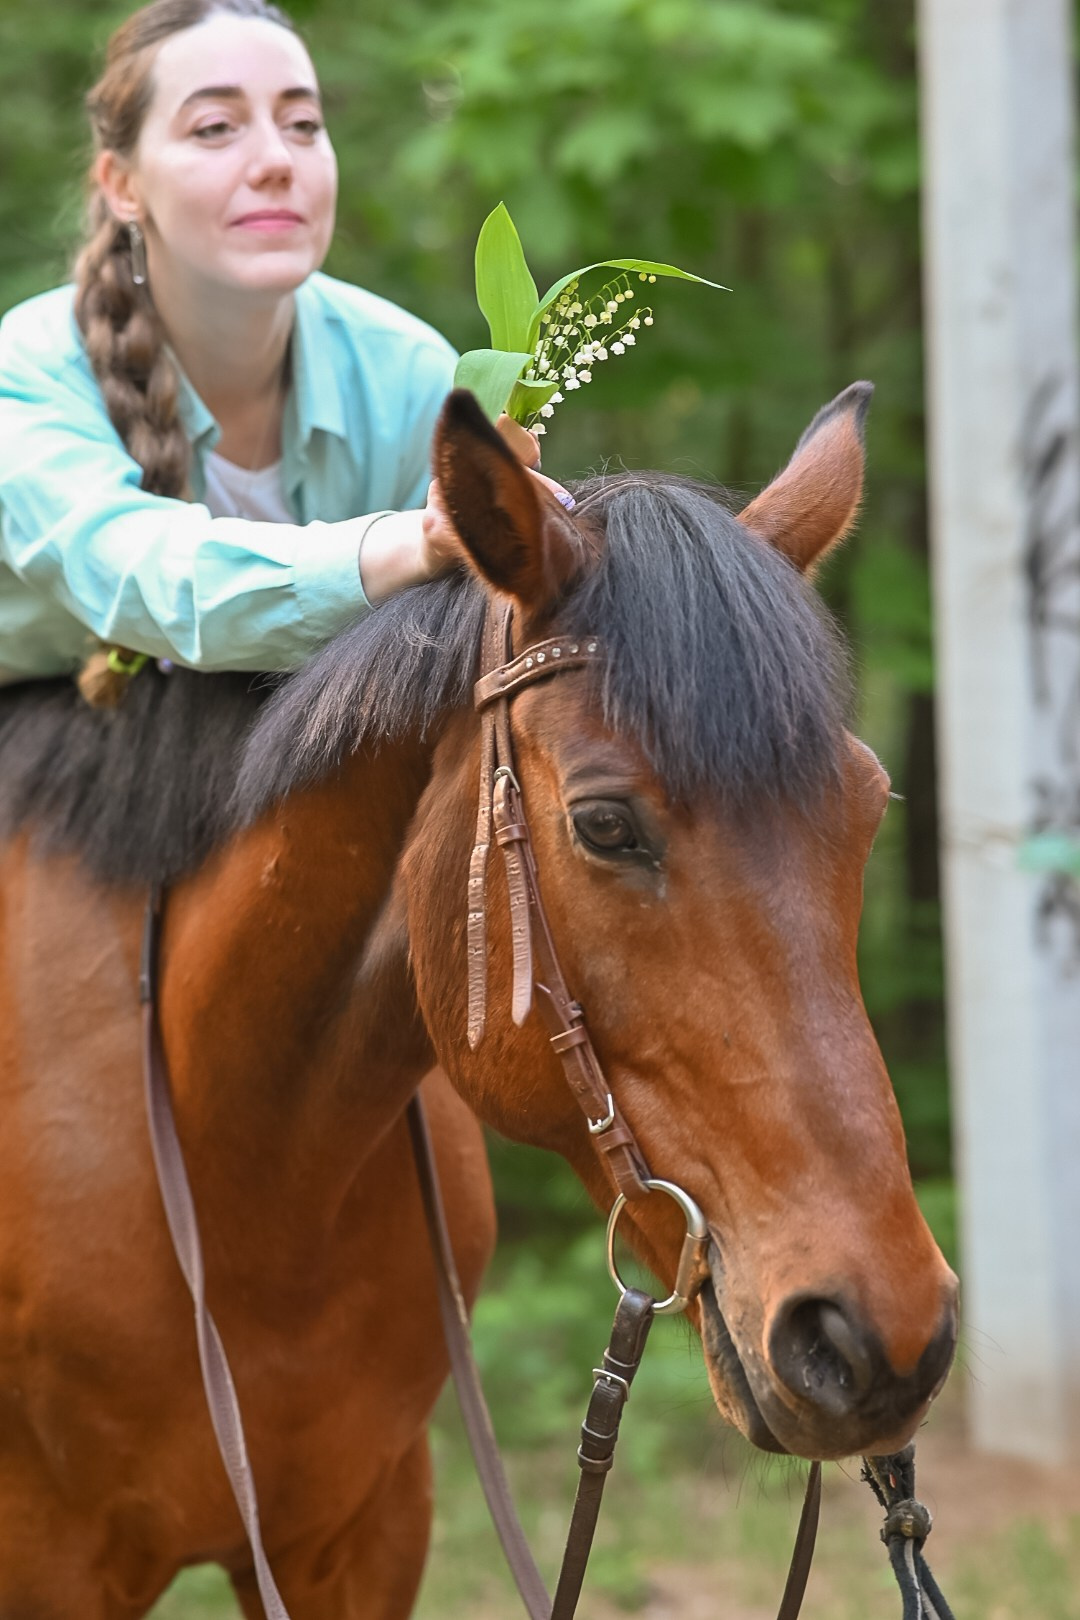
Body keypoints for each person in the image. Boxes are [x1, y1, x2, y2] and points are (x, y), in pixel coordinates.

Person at [0, 0, 566, 695]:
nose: (276, 160)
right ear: (123, 186)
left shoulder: (409, 372)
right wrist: (413, 543)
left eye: (303, 125)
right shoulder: (33, 366)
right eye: (215, 128)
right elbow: (143, 578)